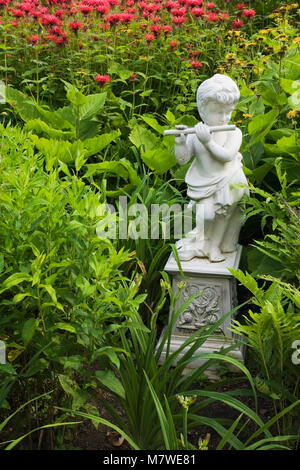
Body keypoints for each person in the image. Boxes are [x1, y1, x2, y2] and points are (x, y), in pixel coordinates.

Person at [174, 74, 249, 262]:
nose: (224, 118)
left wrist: (207, 142)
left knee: (222, 216)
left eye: (228, 112)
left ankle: (214, 247)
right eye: (218, 112)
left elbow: (227, 156)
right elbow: (182, 160)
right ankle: (200, 244)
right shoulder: (196, 133)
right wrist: (180, 142)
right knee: (206, 215)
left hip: (229, 181)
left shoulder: (234, 132)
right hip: (204, 183)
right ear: (203, 110)